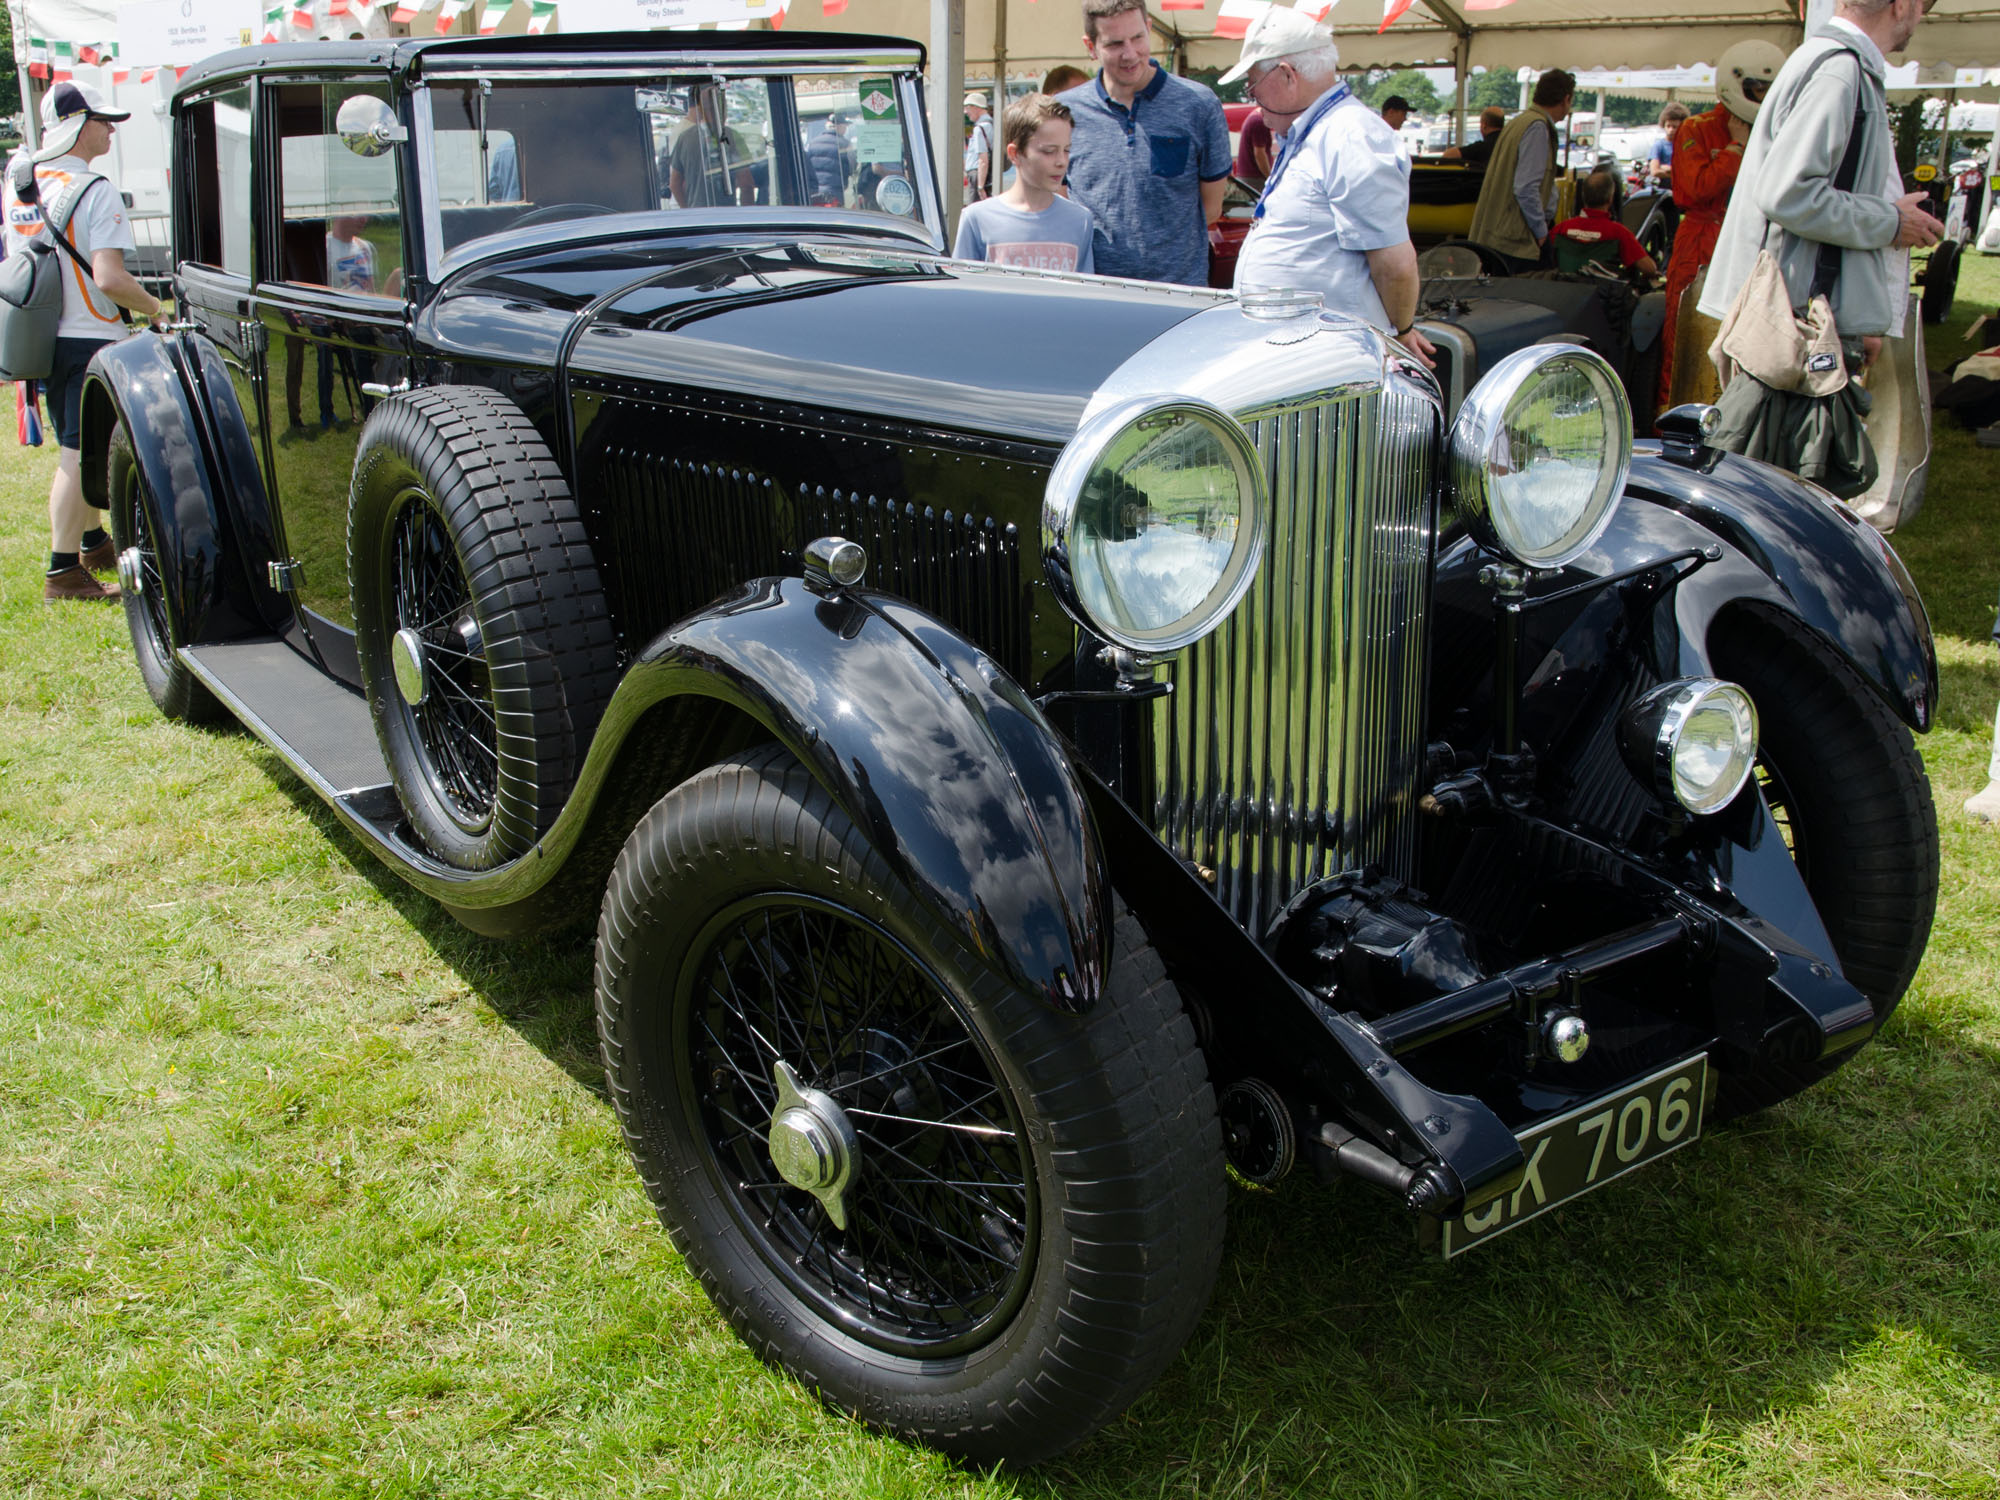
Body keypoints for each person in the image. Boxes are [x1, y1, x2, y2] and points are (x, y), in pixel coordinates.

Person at [1698, 0, 1943, 373]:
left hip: (1793, 319)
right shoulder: (1838, 70)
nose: (1921, 16)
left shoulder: (1838, 64)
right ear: (1902, 5)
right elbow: (1788, 194)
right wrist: (1891, 221)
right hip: (1792, 326)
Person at [2, 81, 160, 603]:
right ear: (78, 125)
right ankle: (63, 572)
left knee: (77, 444)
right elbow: (110, 279)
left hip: (42, 335)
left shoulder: (20, 182)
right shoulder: (95, 189)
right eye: (103, 120)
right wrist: (158, 309)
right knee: (77, 453)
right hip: (89, 337)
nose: (111, 130)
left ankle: (92, 542)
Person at [1223, 8, 1435, 369]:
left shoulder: (1352, 135)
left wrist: (1400, 333)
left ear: (1286, 75)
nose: (1252, 96)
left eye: (1253, 83)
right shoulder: (1318, 133)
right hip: (1299, 356)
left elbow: (1395, 262)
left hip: (1330, 363)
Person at [1057, 0, 1231, 285]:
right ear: (1090, 46)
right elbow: (1060, 201)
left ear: (1149, 28)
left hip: (1179, 298)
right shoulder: (1065, 111)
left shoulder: (1198, 104)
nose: (1130, 54)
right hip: (1093, 295)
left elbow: (1211, 208)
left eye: (1137, 38)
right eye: (1114, 44)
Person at [1655, 42, 1782, 409]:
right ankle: (1672, 423)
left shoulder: (1774, 133)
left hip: (1754, 242)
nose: (1762, 96)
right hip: (1701, 244)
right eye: (1756, 89)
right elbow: (1693, 190)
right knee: (1684, 342)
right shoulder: (1697, 128)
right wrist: (1735, 150)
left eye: (1766, 90)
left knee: (1750, 341)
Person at [953, 94, 1096, 273]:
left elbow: (1084, 297)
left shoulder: (1080, 220)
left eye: (1067, 150)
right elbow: (963, 295)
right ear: (1014, 154)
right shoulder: (976, 219)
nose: (1061, 161)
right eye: (1049, 151)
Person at [1468, 68, 1576, 273]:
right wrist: (1541, 233)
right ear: (1566, 98)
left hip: (1499, 234)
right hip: (1515, 240)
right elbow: (1526, 187)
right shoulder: (1537, 127)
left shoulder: (1519, 121)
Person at [1550, 169, 1660, 275]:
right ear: (1610, 199)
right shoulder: (1618, 233)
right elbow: (1649, 269)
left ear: (1583, 196)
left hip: (1563, 289)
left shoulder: (1561, 229)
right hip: (1603, 292)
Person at [669, 86, 753, 210]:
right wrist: (747, 216)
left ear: (701, 109)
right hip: (726, 217)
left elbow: (674, 184)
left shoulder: (685, 138)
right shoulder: (732, 137)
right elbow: (746, 183)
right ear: (722, 109)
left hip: (697, 218)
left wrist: (688, 210)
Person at [807, 112, 856, 206]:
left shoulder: (813, 143)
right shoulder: (845, 144)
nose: (845, 129)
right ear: (840, 126)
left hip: (815, 192)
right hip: (834, 193)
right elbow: (852, 167)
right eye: (845, 126)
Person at [963, 92, 995, 203]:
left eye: (967, 107)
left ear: (976, 107)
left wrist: (980, 186)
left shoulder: (980, 128)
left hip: (977, 175)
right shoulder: (989, 125)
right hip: (981, 175)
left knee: (974, 210)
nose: (965, 112)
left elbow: (983, 159)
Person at [1649, 102, 1691, 184]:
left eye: (1674, 127)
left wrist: (1666, 168)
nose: (1671, 130)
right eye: (1668, 126)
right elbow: (1654, 171)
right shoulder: (1658, 146)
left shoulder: (1687, 145)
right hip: (1665, 189)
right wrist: (1679, 173)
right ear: (1663, 125)